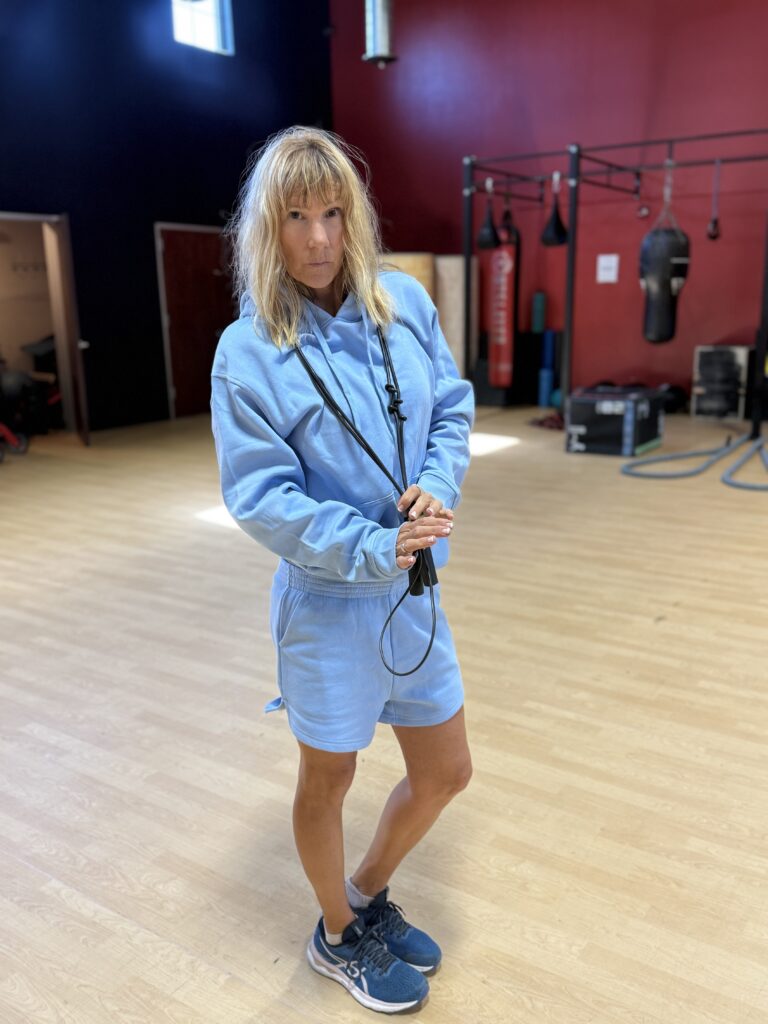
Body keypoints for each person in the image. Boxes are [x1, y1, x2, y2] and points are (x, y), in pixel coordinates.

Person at [210, 126, 474, 1015]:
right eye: (296, 218)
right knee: (329, 779)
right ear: (268, 229)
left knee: (446, 771)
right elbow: (260, 496)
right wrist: (367, 544)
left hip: (415, 591)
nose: (319, 238)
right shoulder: (248, 350)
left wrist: (437, 483)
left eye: (332, 213)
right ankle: (335, 933)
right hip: (327, 605)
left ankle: (364, 892)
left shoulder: (405, 304)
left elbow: (451, 408)